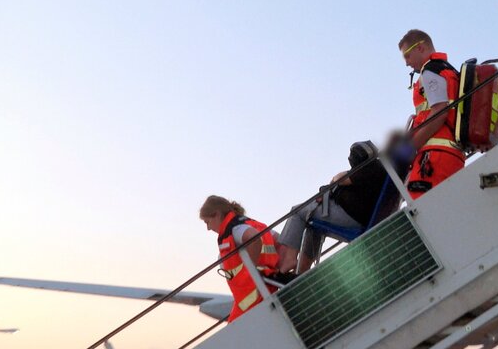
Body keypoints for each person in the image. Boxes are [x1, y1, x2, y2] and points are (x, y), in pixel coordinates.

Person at [276, 141, 403, 274]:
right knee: (313, 224)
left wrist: (333, 185)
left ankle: (289, 260)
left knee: (298, 211)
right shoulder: (380, 170)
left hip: (352, 218)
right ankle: (301, 273)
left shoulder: (372, 168)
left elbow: (339, 179)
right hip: (356, 216)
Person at [397, 29, 464, 199]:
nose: (406, 63)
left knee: (421, 212)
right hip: (451, 154)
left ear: (420, 47)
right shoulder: (447, 70)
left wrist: (410, 148)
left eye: (407, 56)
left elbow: (440, 111)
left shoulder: (430, 72)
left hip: (434, 156)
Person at [199, 195, 280, 322]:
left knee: (233, 337)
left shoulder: (235, 229)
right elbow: (279, 240)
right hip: (265, 289)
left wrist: (250, 272)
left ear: (217, 214)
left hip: (252, 297)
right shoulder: (254, 224)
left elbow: (254, 238)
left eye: (207, 222)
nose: (208, 228)